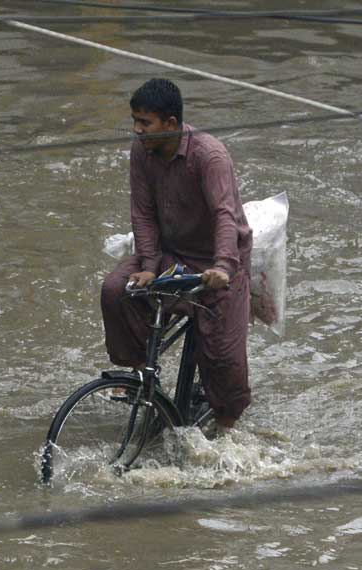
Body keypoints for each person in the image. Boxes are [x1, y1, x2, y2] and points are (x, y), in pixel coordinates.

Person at [100, 78, 252, 428]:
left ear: (170, 124)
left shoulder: (208, 155)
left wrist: (224, 267)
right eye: (135, 121)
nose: (137, 130)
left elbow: (225, 215)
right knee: (117, 291)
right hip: (170, 252)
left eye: (145, 123)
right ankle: (141, 374)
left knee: (223, 357)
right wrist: (150, 266)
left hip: (217, 258)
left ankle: (228, 429)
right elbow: (143, 213)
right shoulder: (143, 151)